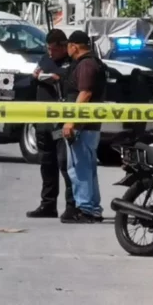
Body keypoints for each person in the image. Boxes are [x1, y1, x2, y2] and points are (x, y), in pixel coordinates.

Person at [26, 29, 76, 220]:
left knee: (65, 164)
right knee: (46, 163)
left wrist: (58, 79)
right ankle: (48, 204)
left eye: (54, 49)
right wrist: (35, 76)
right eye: (48, 49)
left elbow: (73, 83)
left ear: (63, 46)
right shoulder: (45, 59)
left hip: (61, 122)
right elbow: (34, 79)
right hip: (43, 120)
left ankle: (72, 205)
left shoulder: (71, 62)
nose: (50, 53)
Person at [61, 31, 107, 224]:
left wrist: (71, 121)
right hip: (89, 125)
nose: (67, 49)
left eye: (68, 45)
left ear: (74, 46)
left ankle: (85, 209)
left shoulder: (86, 64)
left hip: (82, 125)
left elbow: (85, 93)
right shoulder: (93, 62)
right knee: (87, 167)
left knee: (79, 168)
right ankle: (93, 209)